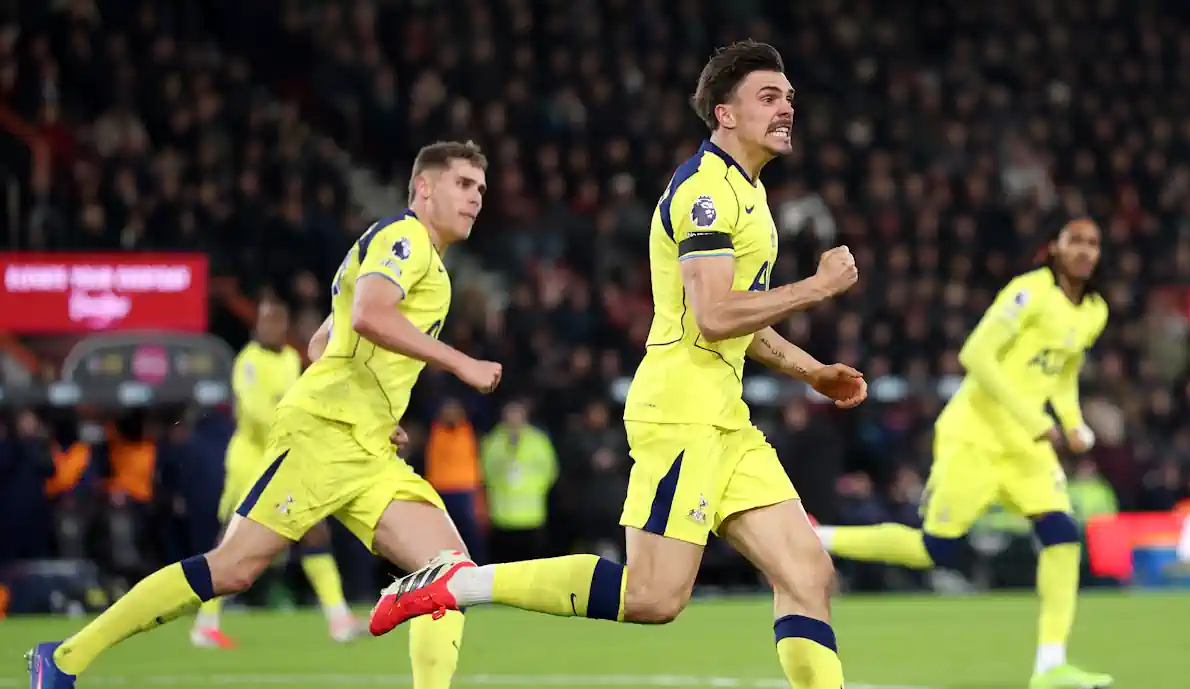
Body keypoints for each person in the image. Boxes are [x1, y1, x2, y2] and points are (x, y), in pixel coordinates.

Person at [368, 40, 867, 689]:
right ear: (725, 113)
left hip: (725, 419)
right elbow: (715, 314)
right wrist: (818, 287)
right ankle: (460, 581)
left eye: (790, 99)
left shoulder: (750, 195)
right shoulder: (705, 192)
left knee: (806, 572)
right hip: (682, 413)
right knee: (655, 596)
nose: (786, 110)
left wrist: (813, 371)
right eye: (769, 97)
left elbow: (740, 326)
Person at [27, 140, 502, 689]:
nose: (476, 199)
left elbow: (325, 340)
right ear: (424, 187)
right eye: (464, 185)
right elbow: (370, 315)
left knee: (448, 573)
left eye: (481, 189)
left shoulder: (419, 260)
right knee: (232, 567)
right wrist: (460, 362)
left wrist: (377, 407)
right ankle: (62, 658)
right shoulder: (405, 239)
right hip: (322, 436)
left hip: (365, 445)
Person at [817, 217, 1113, 689]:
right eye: (1074, 240)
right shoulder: (1029, 292)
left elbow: (1062, 372)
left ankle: (1050, 664)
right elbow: (975, 354)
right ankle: (820, 539)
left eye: (1093, 243)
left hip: (1025, 450)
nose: (1084, 250)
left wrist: (1073, 422)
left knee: (1061, 535)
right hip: (974, 437)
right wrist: (1037, 420)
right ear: (1054, 247)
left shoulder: (1094, 310)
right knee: (935, 549)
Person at [190, 296, 365, 649]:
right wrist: (299, 427)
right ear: (257, 325)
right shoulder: (247, 362)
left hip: (283, 457)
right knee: (232, 543)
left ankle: (338, 617)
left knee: (314, 532)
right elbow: (255, 414)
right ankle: (205, 622)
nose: (272, 328)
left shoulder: (289, 359)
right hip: (251, 463)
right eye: (267, 321)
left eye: (278, 321)